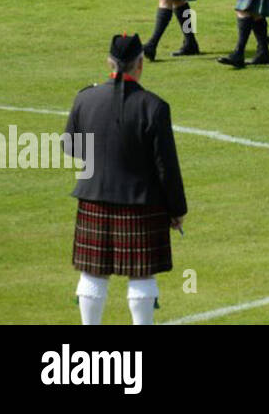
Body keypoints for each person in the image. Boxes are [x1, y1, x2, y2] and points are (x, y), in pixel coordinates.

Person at [66, 33, 187, 325]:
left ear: (109, 62)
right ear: (140, 63)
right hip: (142, 204)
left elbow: (70, 145)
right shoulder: (154, 106)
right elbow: (166, 166)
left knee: (93, 271)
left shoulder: (85, 99)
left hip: (93, 198)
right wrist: (177, 210)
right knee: (142, 271)